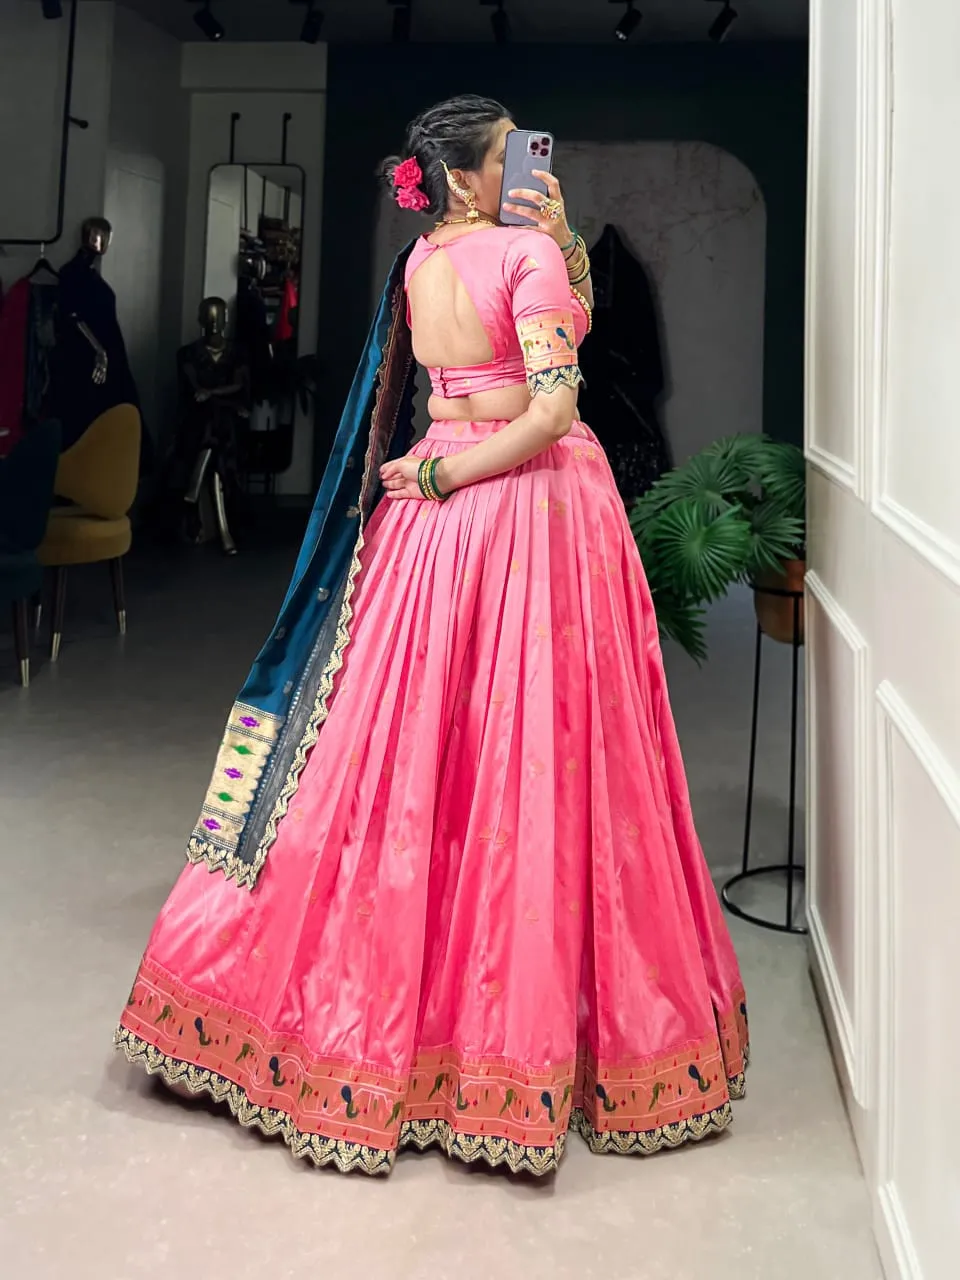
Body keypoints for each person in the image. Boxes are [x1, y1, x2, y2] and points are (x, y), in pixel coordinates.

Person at [116, 95, 748, 1177]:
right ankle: (506, 1033)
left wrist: (441, 462)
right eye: (506, 157)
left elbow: (491, 364)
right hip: (524, 513)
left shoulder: (420, 262)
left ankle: (378, 1014)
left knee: (404, 762)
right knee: (531, 760)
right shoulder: (520, 256)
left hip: (427, 518)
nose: (520, 171)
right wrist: (459, 469)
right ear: (462, 175)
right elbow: (553, 412)